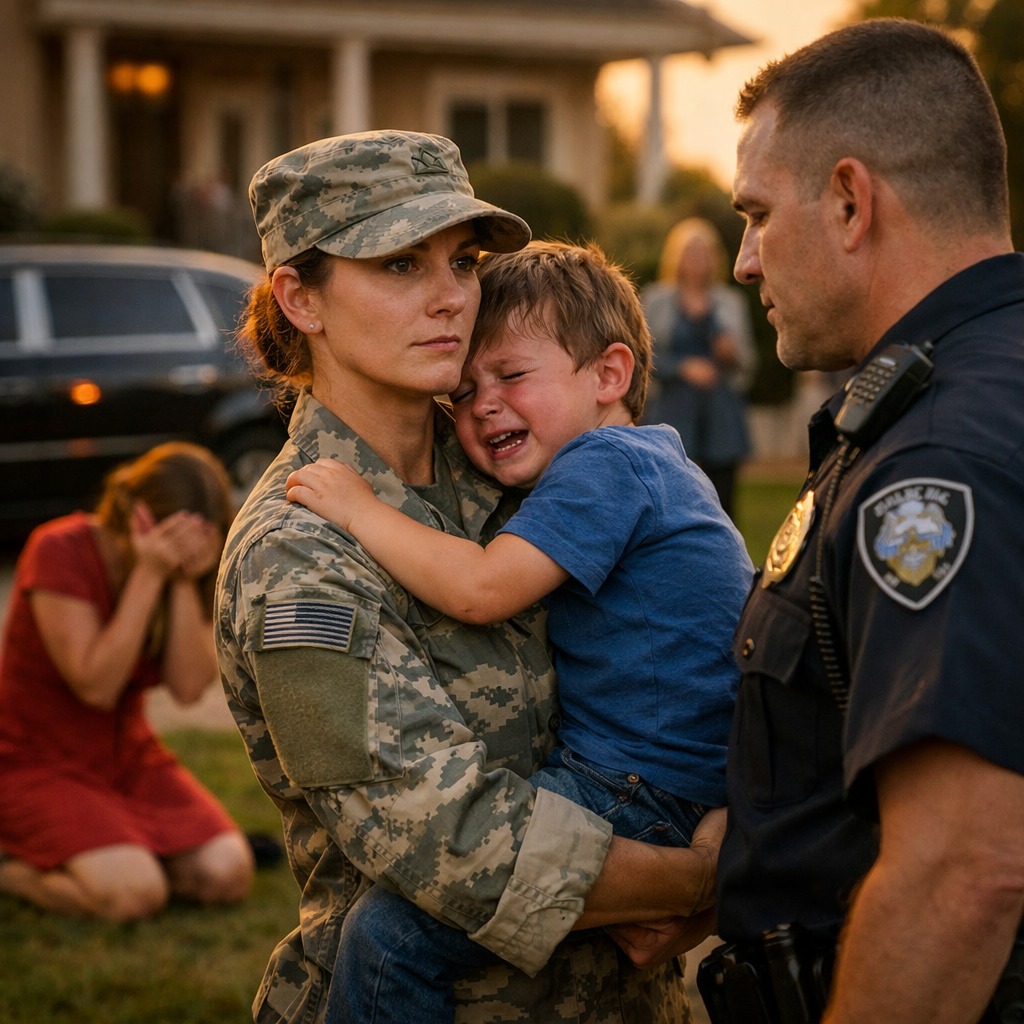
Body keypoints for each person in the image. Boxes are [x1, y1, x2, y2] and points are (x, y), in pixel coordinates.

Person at [215, 129, 726, 1024]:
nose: (452, 296)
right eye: (400, 264)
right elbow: (455, 846)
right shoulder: (297, 553)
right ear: (301, 299)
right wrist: (707, 877)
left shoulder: (518, 460)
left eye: (462, 261)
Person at [663, 18, 1024, 1024]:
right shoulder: (985, 385)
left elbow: (963, 869)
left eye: (756, 214)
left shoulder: (939, 458)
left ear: (851, 202)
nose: (744, 262)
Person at [0, 442, 255, 922]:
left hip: (127, 757)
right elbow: (96, 687)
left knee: (227, 873)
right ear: (138, 516)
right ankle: (13, 871)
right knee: (135, 896)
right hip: (36, 760)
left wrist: (181, 579)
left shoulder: (181, 566)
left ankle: (122, 853)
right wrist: (150, 573)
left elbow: (187, 688)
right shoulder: (58, 549)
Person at [642, 216, 758, 518]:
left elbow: (748, 363)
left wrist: (730, 354)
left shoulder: (731, 301)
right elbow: (642, 358)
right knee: (672, 500)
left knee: (723, 501)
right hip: (673, 413)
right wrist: (682, 367)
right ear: (676, 256)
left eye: (704, 252)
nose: (697, 259)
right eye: (690, 252)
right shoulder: (656, 300)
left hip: (720, 413)